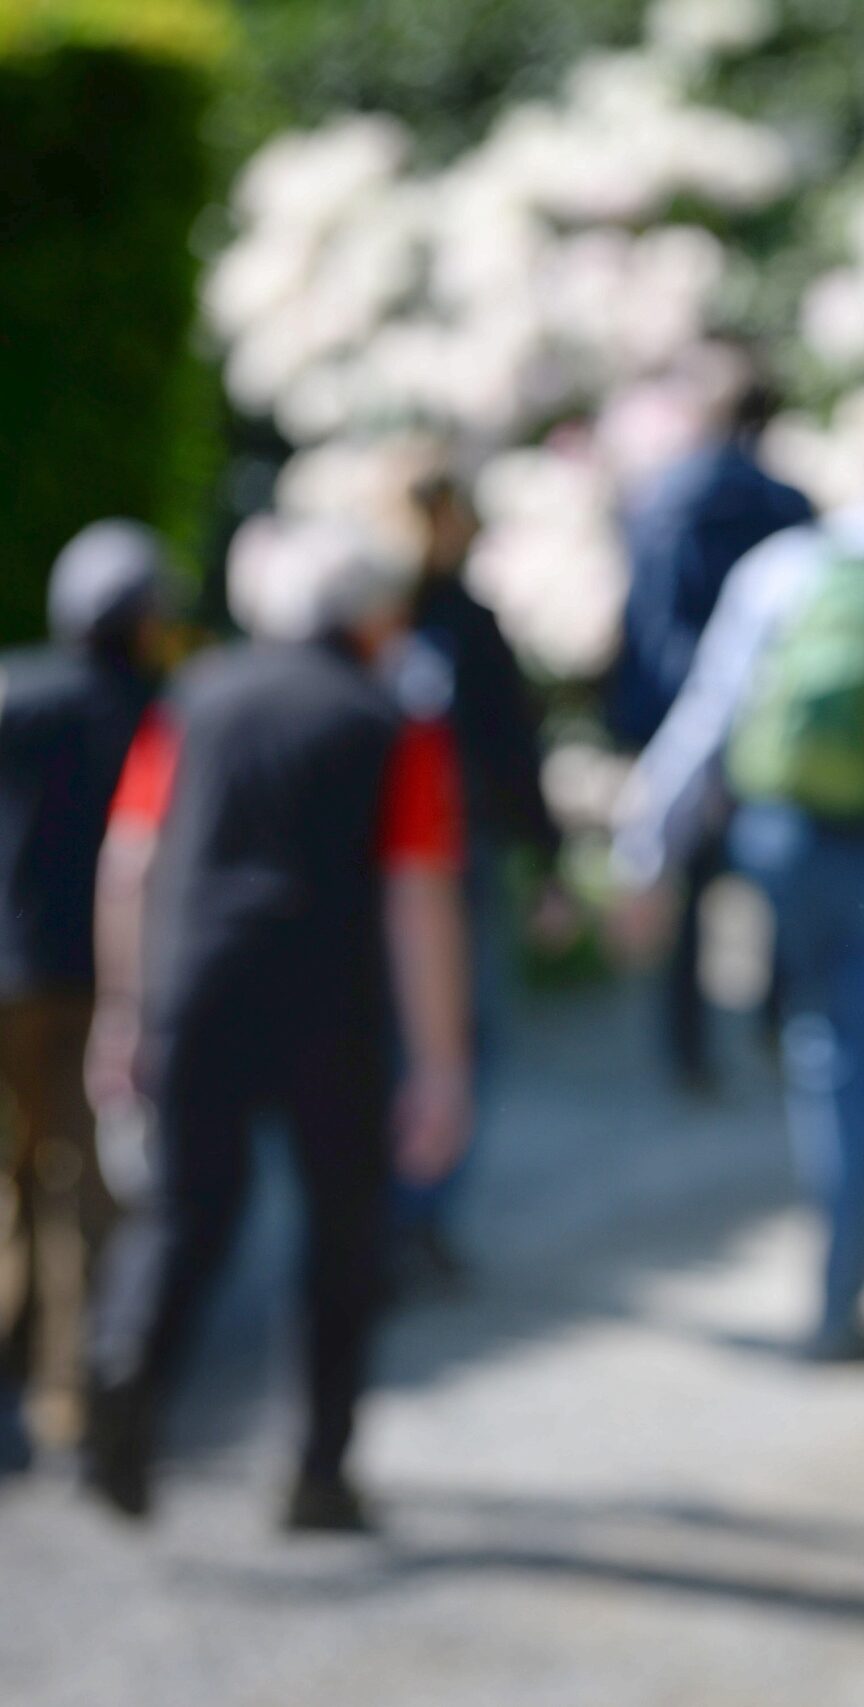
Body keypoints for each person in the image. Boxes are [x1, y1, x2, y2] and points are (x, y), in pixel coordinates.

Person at [82, 516, 472, 1532]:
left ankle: (125, 1373)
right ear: (372, 613)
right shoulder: (391, 720)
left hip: (196, 987)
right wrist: (440, 1059)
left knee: (186, 1211)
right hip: (328, 1002)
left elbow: (128, 862)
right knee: (340, 1231)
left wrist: (122, 1009)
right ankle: (318, 1474)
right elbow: (416, 896)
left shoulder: (195, 700)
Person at [613, 396, 864, 1362]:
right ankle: (842, 1285)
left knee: (821, 1049)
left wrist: (644, 841)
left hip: (784, 841)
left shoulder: (785, 569)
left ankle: (833, 1254)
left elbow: (709, 711)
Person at [0, 523, 175, 1471]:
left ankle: (21, 1357)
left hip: (8, 975)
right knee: (78, 1187)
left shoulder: (14, 689)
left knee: (18, 1172)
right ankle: (60, 1392)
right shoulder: (155, 713)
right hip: (88, 981)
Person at [388, 460, 576, 1282]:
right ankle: (399, 1210)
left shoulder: (457, 620)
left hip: (455, 854)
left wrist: (549, 862)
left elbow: (514, 747)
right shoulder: (383, 619)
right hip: (407, 863)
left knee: (456, 1033)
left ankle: (423, 1209)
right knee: (430, 1035)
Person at [610, 342, 815, 1086]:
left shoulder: (661, 496)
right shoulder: (790, 503)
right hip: (770, 720)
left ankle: (688, 1049)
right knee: (774, 872)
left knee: (683, 883)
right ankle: (775, 1018)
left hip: (682, 712)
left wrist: (652, 726)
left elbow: (646, 623)